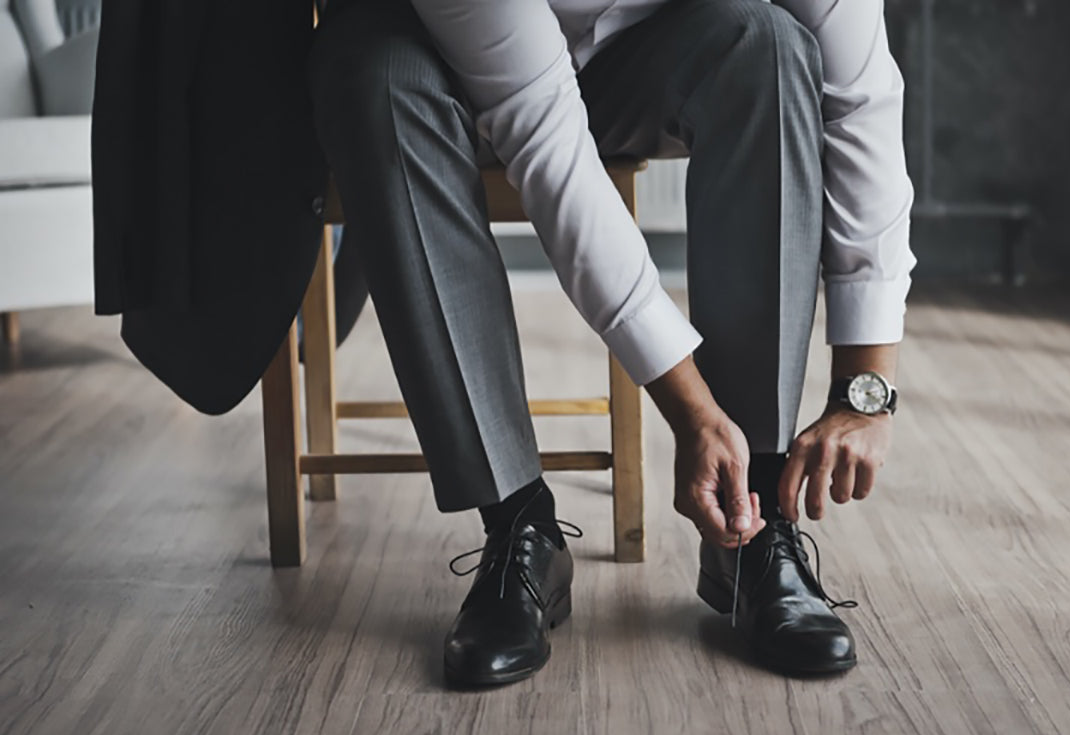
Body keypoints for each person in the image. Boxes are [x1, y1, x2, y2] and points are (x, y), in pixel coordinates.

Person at [92, 0, 913, 687]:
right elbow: (546, 139)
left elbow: (862, 96)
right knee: (369, 74)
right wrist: (688, 407)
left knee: (768, 46)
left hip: (641, 56)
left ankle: (751, 519)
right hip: (437, 60)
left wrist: (863, 390)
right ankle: (519, 524)